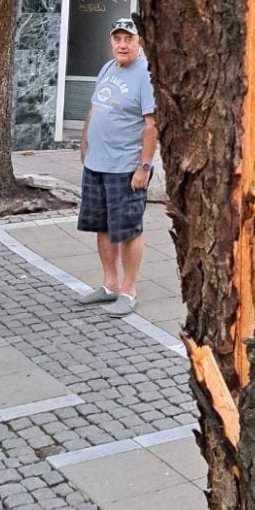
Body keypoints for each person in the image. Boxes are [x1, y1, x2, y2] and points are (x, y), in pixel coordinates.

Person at [77, 18, 156, 315]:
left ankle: (129, 290)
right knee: (102, 226)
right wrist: (85, 141)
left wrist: (143, 167)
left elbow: (151, 126)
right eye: (118, 39)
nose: (122, 45)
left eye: (129, 39)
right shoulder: (107, 68)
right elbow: (95, 107)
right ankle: (110, 284)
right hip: (97, 164)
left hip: (125, 167)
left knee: (128, 229)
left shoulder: (146, 76)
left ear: (139, 42)